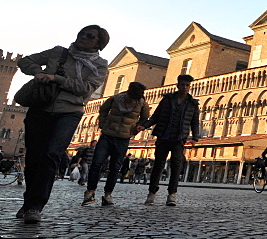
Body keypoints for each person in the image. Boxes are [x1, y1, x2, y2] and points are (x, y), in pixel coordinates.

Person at [15, 25, 110, 224]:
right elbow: (25, 61)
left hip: (69, 112)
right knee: (33, 158)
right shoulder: (59, 52)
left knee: (51, 155)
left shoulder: (100, 66)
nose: (84, 37)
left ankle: (35, 206)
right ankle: (28, 201)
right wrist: (38, 73)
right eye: (82, 33)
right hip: (40, 108)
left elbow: (84, 89)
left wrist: (56, 78)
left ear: (98, 43)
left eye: (90, 36)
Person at [82, 81, 150, 207]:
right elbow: (103, 110)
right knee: (96, 163)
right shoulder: (115, 99)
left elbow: (145, 118)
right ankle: (90, 192)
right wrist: (102, 124)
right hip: (107, 136)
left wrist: (137, 128)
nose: (132, 101)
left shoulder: (142, 103)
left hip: (123, 138)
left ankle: (108, 195)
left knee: (115, 167)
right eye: (132, 98)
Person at [141, 75, 200, 206]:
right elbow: (155, 116)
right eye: (183, 85)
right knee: (158, 166)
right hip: (163, 136)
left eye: (187, 85)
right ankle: (152, 194)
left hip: (179, 139)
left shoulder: (192, 103)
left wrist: (195, 137)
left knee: (176, 167)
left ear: (189, 87)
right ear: (177, 85)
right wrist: (144, 126)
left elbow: (195, 122)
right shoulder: (167, 100)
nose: (185, 87)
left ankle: (172, 195)